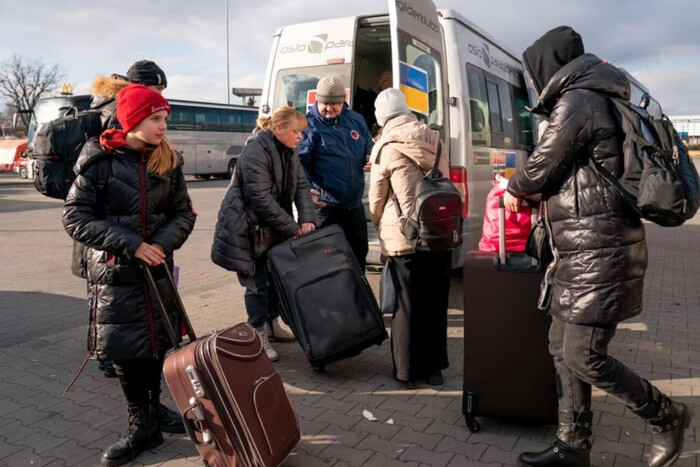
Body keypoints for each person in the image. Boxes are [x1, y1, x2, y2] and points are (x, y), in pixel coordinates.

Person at [504, 26, 692, 467]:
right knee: (559, 348)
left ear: (548, 68)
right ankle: (573, 447)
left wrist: (513, 186)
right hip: (581, 250)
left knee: (583, 354)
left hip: (600, 251)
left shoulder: (579, 102)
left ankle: (666, 415)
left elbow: (539, 168)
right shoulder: (594, 96)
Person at [62, 84, 196, 466]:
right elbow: (75, 216)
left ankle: (152, 419)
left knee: (155, 344)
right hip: (114, 275)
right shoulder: (99, 159)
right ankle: (141, 423)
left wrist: (160, 245)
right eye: (156, 119)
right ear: (133, 119)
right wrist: (132, 244)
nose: (163, 127)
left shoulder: (168, 160)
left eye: (165, 119)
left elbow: (184, 213)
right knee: (123, 351)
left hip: (157, 274)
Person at [211, 106, 316, 361]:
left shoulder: (288, 150)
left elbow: (301, 185)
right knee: (256, 284)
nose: (300, 137)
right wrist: (293, 228)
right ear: (278, 129)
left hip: (270, 226)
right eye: (296, 132)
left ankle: (271, 323)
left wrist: (308, 219)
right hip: (247, 229)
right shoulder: (255, 150)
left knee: (274, 278)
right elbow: (261, 199)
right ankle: (257, 332)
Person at [87, 59, 169, 379]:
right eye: (156, 89)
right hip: (117, 231)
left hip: (128, 227)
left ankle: (123, 359)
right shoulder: (117, 112)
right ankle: (114, 359)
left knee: (122, 303)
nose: (160, 96)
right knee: (116, 301)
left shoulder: (113, 108)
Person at [368, 88, 451, 387]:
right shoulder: (434, 138)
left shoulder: (384, 146)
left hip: (406, 236)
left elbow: (376, 199)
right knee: (436, 300)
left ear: (382, 118)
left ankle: (407, 371)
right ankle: (434, 370)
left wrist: (380, 227)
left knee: (406, 304)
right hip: (439, 232)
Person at [298, 75, 374, 271]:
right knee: (326, 264)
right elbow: (299, 163)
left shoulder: (355, 120)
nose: (329, 108)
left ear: (343, 101)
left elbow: (369, 145)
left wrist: (371, 156)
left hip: (354, 206)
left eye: (335, 104)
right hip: (326, 208)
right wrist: (308, 190)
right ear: (317, 99)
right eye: (325, 103)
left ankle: (356, 298)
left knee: (358, 257)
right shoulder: (309, 124)